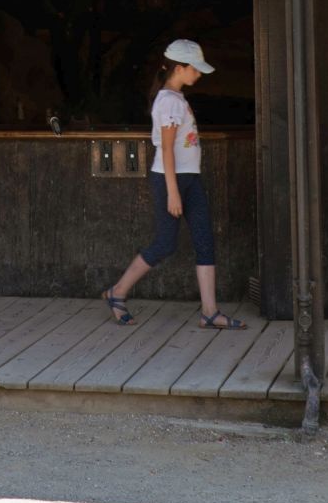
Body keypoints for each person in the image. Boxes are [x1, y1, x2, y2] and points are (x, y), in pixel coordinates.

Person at [101, 40, 247, 332]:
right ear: (180, 68)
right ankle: (117, 292)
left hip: (189, 178)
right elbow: (166, 150)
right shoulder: (168, 101)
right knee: (165, 243)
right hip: (172, 179)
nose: (199, 75)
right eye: (195, 69)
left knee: (204, 239)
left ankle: (209, 312)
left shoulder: (177, 98)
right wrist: (172, 191)